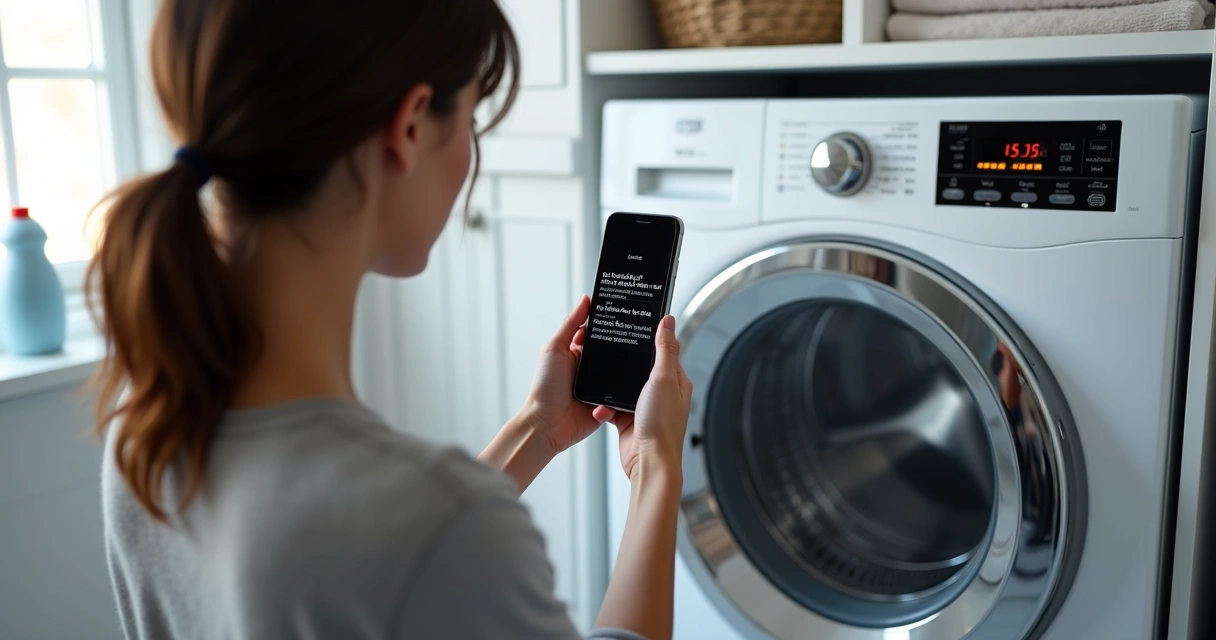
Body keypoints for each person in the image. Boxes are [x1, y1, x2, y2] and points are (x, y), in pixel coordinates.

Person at [90, 1, 692, 638]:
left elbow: (401, 559)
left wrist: (535, 430)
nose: (469, 156)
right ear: (410, 128)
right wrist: (656, 467)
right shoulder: (440, 526)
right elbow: (422, 544)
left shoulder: (146, 422)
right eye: (471, 121)